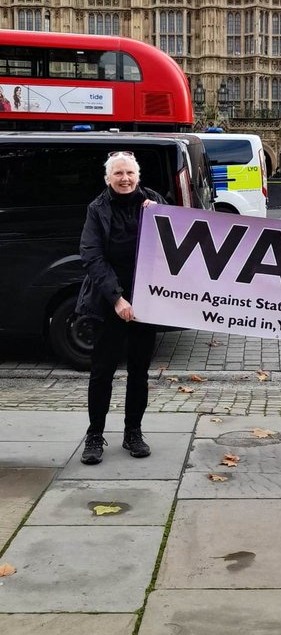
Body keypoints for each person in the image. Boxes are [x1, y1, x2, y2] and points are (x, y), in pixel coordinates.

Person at [76, 151, 166, 465]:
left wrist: (160, 215)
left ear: (137, 176)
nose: (125, 179)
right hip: (107, 301)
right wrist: (117, 299)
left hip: (145, 300)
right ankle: (94, 436)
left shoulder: (154, 201)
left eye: (129, 173)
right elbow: (92, 256)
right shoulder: (97, 209)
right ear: (108, 178)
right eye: (118, 174)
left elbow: (177, 240)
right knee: (102, 371)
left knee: (139, 371)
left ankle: (133, 432)